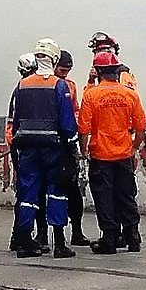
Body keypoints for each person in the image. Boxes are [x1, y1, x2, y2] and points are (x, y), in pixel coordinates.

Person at [9, 38, 79, 259]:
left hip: (27, 148)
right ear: (54, 58)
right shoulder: (59, 85)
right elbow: (68, 122)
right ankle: (59, 243)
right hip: (53, 148)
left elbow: (16, 119)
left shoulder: (22, 85)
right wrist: (71, 147)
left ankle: (24, 242)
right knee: (56, 193)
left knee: (27, 193)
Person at [79, 50, 146, 254]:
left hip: (101, 155)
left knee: (104, 197)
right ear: (117, 71)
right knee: (126, 195)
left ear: (98, 71)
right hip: (124, 154)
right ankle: (133, 236)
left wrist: (84, 150)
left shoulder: (91, 95)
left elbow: (84, 129)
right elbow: (141, 127)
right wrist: (133, 146)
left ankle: (109, 238)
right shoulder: (130, 94)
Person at [7, 53, 49, 252]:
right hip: (31, 148)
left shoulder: (20, 89)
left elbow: (13, 124)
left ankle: (23, 236)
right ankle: (30, 236)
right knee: (34, 193)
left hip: (22, 146)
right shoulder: (29, 89)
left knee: (27, 193)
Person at [55, 49, 90, 246]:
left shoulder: (71, 86)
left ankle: (77, 231)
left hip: (68, 145)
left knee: (74, 191)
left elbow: (76, 110)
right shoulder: (47, 85)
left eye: (67, 70)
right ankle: (43, 235)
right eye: (62, 69)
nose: (64, 73)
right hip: (51, 145)